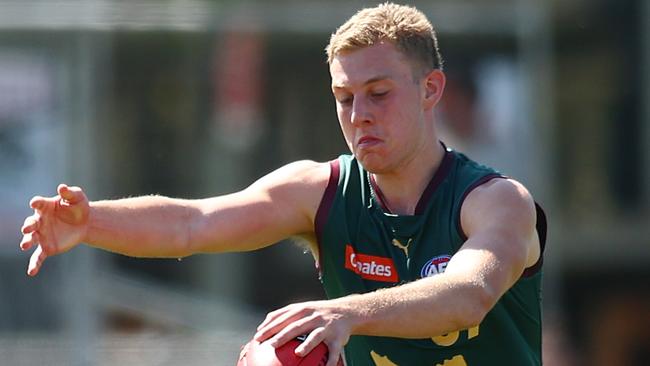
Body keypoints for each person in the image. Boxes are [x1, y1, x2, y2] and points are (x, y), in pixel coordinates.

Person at [20, 3, 546, 365]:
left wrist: (347, 311)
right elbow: (191, 223)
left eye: (379, 92)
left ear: (430, 89)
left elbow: (469, 293)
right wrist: (92, 223)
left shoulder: (497, 202)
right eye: (344, 97)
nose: (359, 114)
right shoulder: (322, 192)